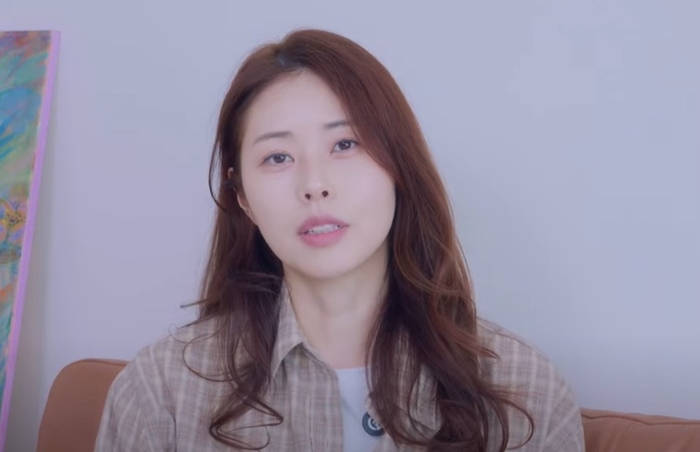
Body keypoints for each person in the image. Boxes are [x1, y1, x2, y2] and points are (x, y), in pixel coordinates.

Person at [95, 28, 585, 451]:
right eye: (278, 157)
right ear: (242, 196)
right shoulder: (159, 392)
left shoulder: (525, 392)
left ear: (399, 167)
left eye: (345, 144)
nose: (314, 184)